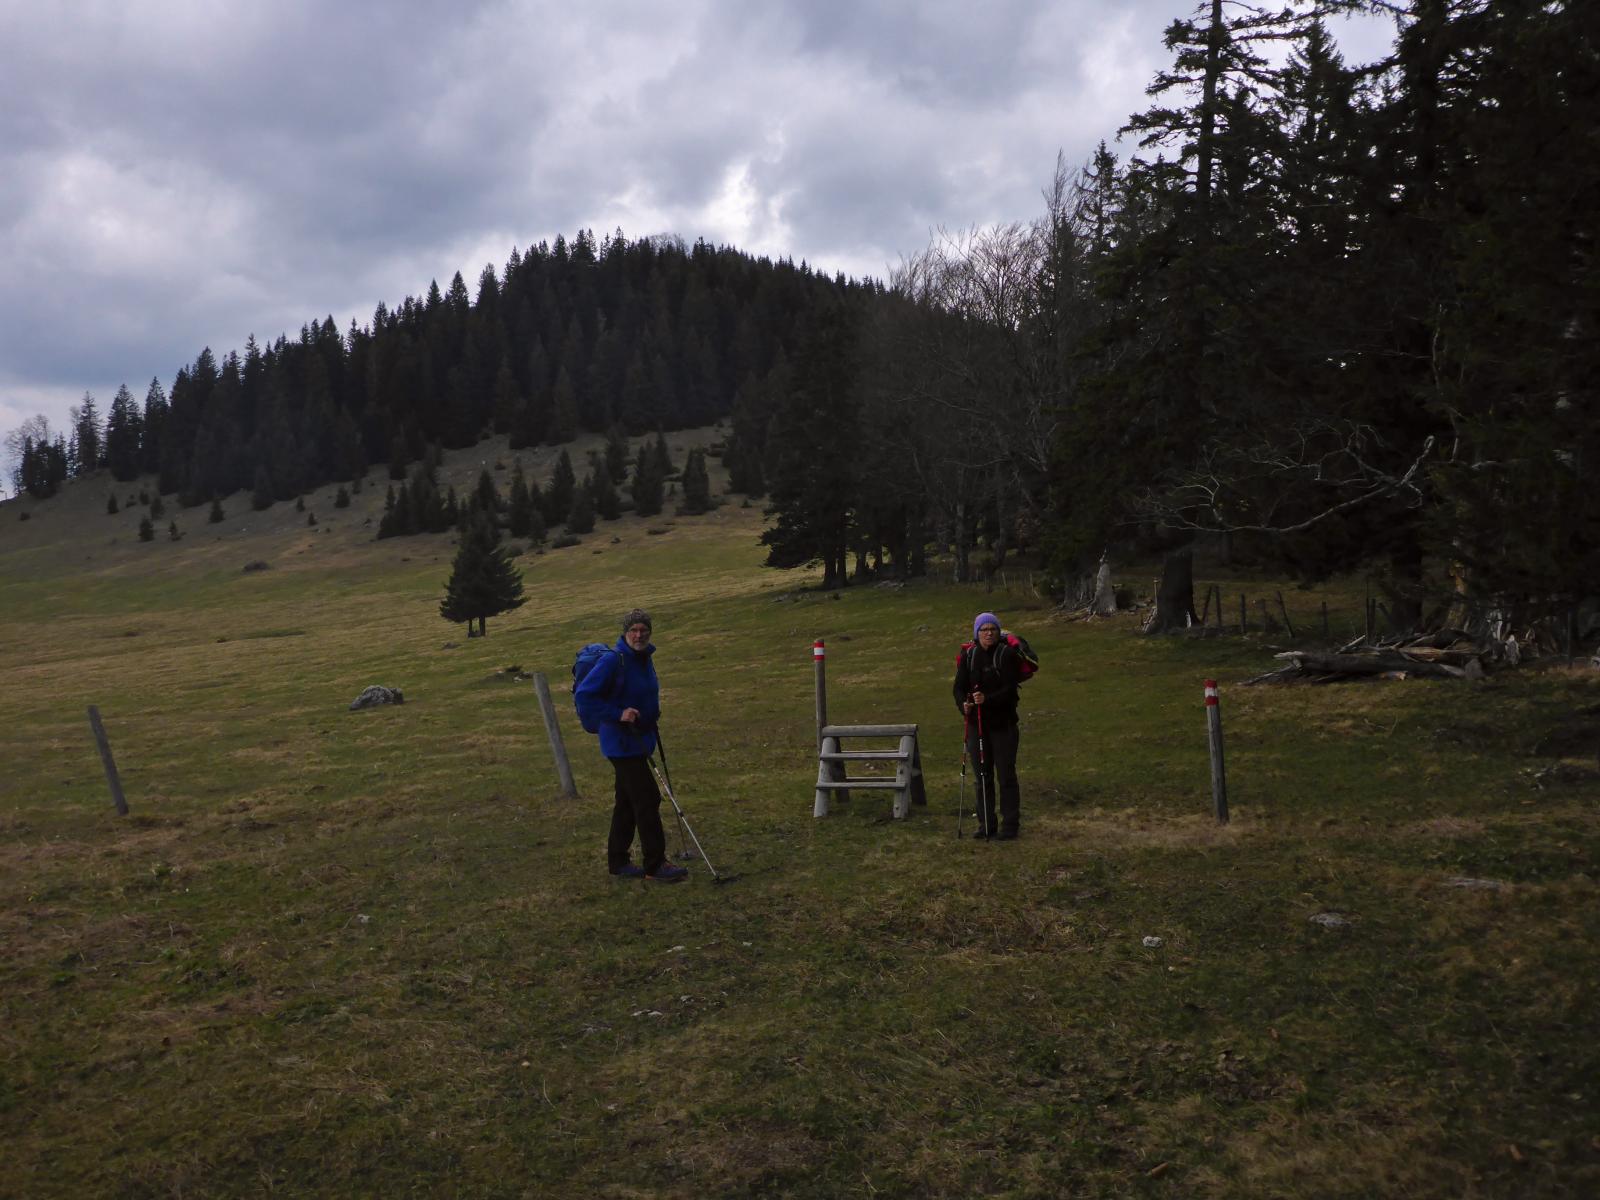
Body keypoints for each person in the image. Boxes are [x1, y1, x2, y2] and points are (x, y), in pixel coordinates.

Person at [574, 609, 688, 883]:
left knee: (626, 802)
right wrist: (618, 714)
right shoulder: (614, 661)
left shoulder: (644, 658)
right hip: (622, 743)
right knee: (647, 799)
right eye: (633, 630)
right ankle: (655, 865)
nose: (639, 635)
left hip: (640, 739)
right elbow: (585, 695)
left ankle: (618, 861)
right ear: (625, 633)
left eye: (643, 630)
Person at [952, 611, 1023, 840]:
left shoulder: (1006, 655)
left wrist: (987, 700)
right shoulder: (969, 656)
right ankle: (986, 824)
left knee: (1005, 775)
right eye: (984, 629)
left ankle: (1010, 826)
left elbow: (1011, 689)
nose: (989, 633)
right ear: (977, 633)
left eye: (993, 629)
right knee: (982, 776)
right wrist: (964, 705)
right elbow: (958, 687)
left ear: (998, 632)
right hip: (976, 725)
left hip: (1003, 725)